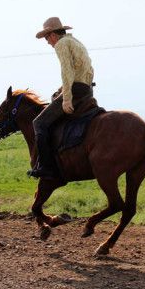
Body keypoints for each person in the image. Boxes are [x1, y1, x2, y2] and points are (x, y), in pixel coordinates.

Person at [28, 17, 95, 179]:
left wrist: (66, 98)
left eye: (46, 37)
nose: (47, 42)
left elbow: (67, 71)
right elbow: (85, 69)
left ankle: (46, 167)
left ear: (52, 35)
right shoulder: (75, 41)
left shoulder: (61, 44)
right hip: (86, 89)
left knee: (38, 123)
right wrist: (62, 89)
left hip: (76, 91)